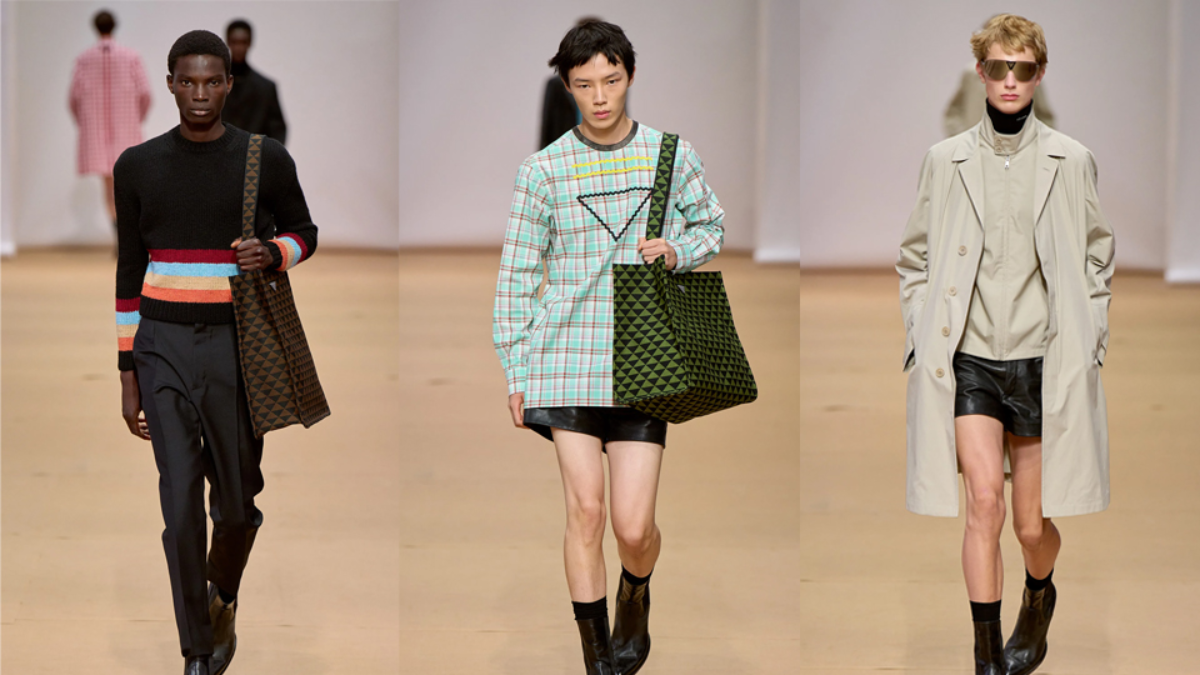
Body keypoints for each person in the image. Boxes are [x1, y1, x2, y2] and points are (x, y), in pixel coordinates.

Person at [494, 19, 723, 675]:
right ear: (567, 87)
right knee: (586, 510)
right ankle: (597, 659)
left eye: (611, 80)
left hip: (644, 358)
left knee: (633, 526)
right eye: (584, 84)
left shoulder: (670, 155)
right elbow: (517, 276)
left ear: (630, 75)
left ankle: (636, 589)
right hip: (564, 359)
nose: (599, 96)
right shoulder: (542, 170)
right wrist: (516, 369)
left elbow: (711, 225)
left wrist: (677, 249)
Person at [896, 14, 1114, 675]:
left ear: (1039, 73)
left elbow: (1097, 254)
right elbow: (915, 256)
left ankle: (1038, 593)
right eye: (998, 67)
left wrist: (1091, 336)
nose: (1010, 80)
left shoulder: (1072, 160)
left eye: (1022, 68)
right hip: (970, 360)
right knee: (983, 505)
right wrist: (921, 333)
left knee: (1029, 526)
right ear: (981, 73)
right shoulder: (945, 160)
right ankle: (986, 656)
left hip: (1044, 360)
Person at [114, 30, 317, 675]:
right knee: (179, 510)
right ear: (170, 84)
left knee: (235, 507)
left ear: (229, 84)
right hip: (161, 346)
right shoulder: (137, 165)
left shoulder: (265, 158)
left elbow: (305, 232)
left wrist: (274, 252)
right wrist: (127, 371)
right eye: (188, 81)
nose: (199, 94)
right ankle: (197, 649)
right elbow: (129, 269)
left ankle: (222, 594)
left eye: (211, 82)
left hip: (238, 348)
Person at [69, 9, 151, 230]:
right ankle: (126, 232)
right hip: (126, 131)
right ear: (114, 26)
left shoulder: (84, 60)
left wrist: (85, 124)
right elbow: (145, 93)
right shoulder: (131, 57)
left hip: (97, 134)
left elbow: (73, 98)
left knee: (109, 186)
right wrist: (136, 119)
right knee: (128, 182)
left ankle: (118, 230)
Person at [222, 19, 287, 143]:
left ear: (250, 43)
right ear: (228, 42)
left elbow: (277, 130)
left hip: (254, 153)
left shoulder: (265, 88)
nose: (239, 48)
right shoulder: (214, 86)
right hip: (220, 153)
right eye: (235, 42)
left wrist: (266, 154)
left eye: (243, 42)